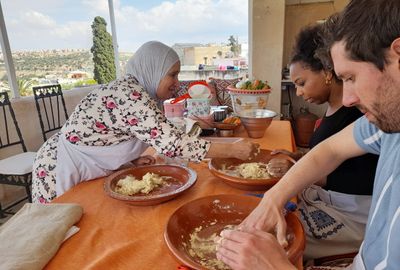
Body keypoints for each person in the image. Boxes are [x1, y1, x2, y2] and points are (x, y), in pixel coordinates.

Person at [216, 0, 400, 269]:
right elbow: (331, 150)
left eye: (350, 77)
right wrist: (273, 198)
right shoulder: (388, 124)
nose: (348, 98)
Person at [32, 41, 258, 203]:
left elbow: (108, 137)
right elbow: (174, 144)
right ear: (153, 69)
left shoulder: (140, 93)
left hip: (77, 163)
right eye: (172, 75)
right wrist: (231, 150)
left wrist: (128, 163)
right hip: (57, 168)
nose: (176, 82)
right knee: (60, 233)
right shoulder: (129, 95)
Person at [270, 22, 378, 259]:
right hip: (329, 202)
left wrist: (314, 174)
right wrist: (299, 158)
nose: (298, 92)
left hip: (352, 214)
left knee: (275, 236)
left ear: (328, 73)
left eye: (301, 83)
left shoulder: (366, 114)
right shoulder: (336, 112)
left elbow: (369, 177)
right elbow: (329, 153)